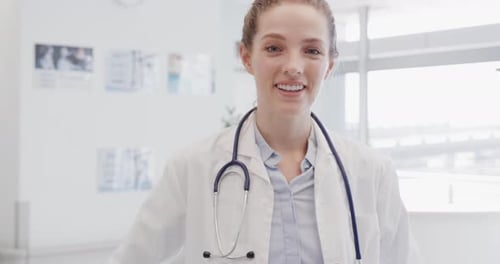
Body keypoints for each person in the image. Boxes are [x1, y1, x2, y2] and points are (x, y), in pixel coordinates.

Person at [109, 0, 420, 263]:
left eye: (312, 51)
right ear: (247, 57)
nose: (294, 66)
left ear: (329, 65)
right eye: (274, 48)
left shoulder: (372, 172)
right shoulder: (193, 167)